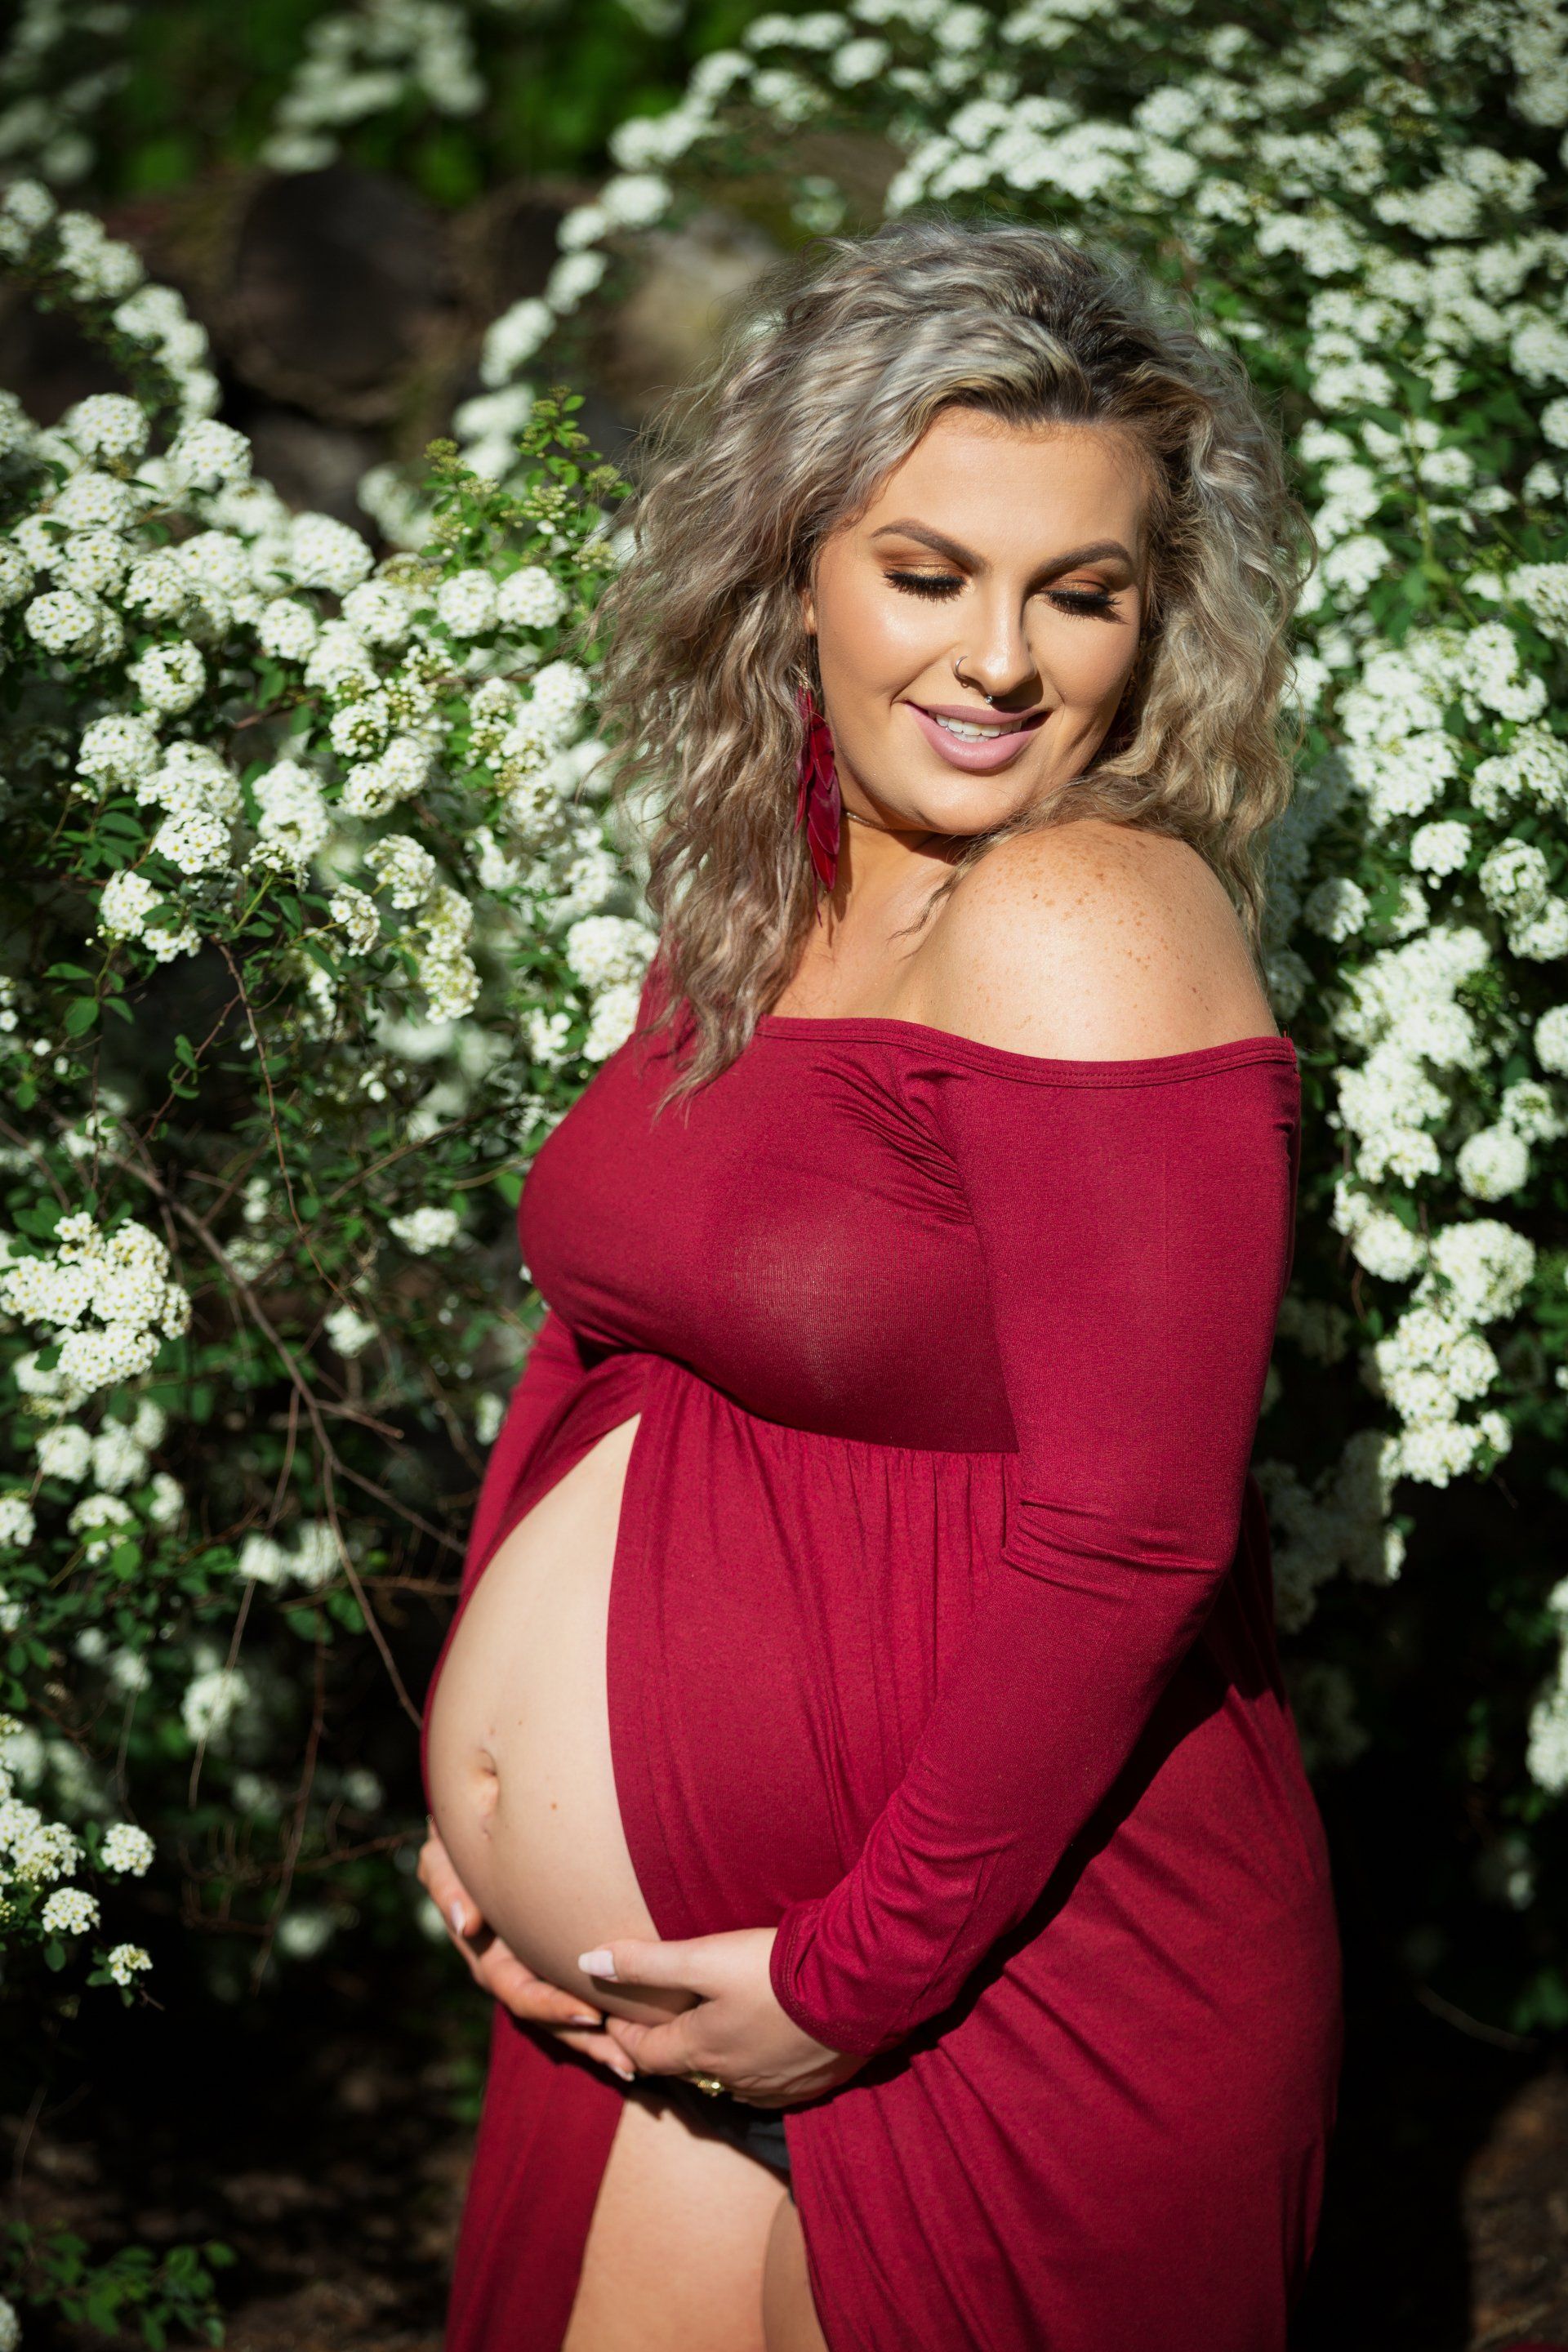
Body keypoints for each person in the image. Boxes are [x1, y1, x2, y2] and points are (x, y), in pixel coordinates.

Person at [416, 213, 1344, 2352]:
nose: (1002, 661)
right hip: (665, 1998)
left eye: (1081, 592)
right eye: (930, 573)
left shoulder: (1087, 908)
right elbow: (604, 1347)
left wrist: (851, 1980)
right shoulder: (767, 882)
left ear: (1156, 621)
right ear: (797, 566)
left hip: (994, 1994)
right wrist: (480, 1797)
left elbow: (1134, 1535)